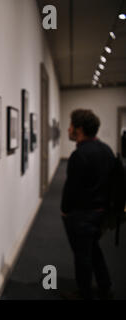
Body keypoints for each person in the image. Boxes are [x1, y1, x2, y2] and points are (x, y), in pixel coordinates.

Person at [61, 109, 115, 300]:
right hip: (101, 213)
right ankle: (104, 286)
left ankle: (84, 294)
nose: (68, 129)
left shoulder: (80, 155)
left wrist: (65, 211)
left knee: (83, 256)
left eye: (71, 126)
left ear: (79, 129)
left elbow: (72, 189)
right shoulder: (106, 150)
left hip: (82, 215)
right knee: (93, 250)